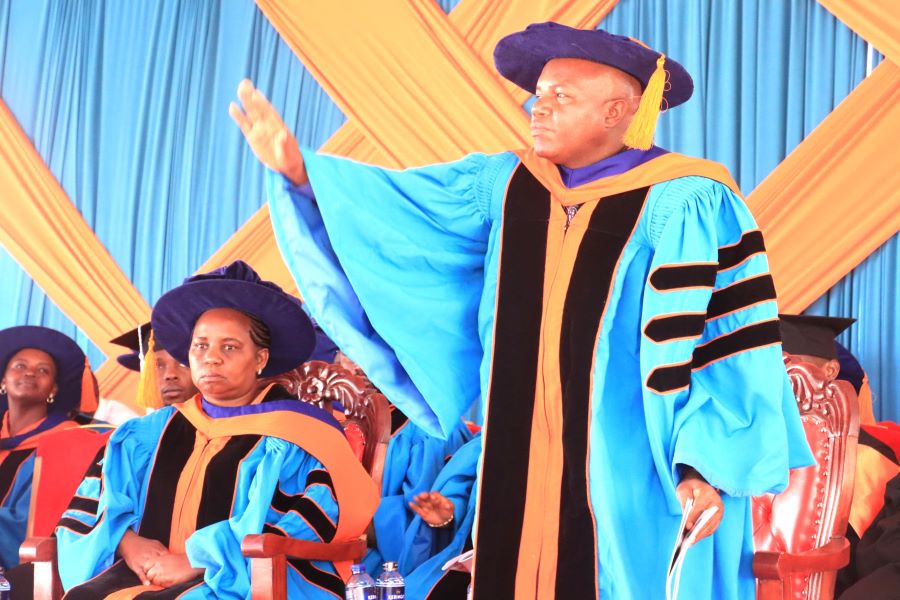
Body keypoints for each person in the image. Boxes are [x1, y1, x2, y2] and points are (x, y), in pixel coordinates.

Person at [232, 22, 812, 599]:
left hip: (637, 464)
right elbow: (401, 216)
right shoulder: (504, 183)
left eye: (562, 96)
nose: (539, 106)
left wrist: (703, 467)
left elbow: (725, 342)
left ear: (616, 112)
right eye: (538, 93)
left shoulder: (686, 199)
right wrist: (301, 171)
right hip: (518, 449)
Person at [56, 261, 379, 599]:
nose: (210, 358)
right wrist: (129, 543)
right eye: (200, 346)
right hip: (141, 570)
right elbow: (92, 506)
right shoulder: (147, 433)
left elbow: (304, 524)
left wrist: (197, 560)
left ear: (260, 359)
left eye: (229, 347)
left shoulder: (300, 435)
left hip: (241, 578)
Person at [0, 325, 96, 570]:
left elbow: (34, 523)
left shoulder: (70, 441)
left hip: (22, 569)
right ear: (3, 380)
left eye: (42, 370)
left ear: (53, 389)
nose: (30, 373)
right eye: (20, 366)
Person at [110, 322, 199, 408]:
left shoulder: (211, 422)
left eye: (183, 363)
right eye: (158, 365)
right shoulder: (139, 424)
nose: (170, 375)